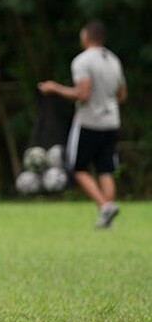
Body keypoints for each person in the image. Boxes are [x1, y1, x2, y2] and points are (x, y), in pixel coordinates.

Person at [38, 20, 127, 229]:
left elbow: (83, 94)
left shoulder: (82, 61)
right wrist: (106, 104)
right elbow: (122, 94)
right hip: (112, 121)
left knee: (77, 169)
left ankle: (105, 206)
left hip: (89, 122)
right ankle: (107, 219)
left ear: (86, 37)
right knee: (105, 170)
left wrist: (54, 88)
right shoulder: (113, 59)